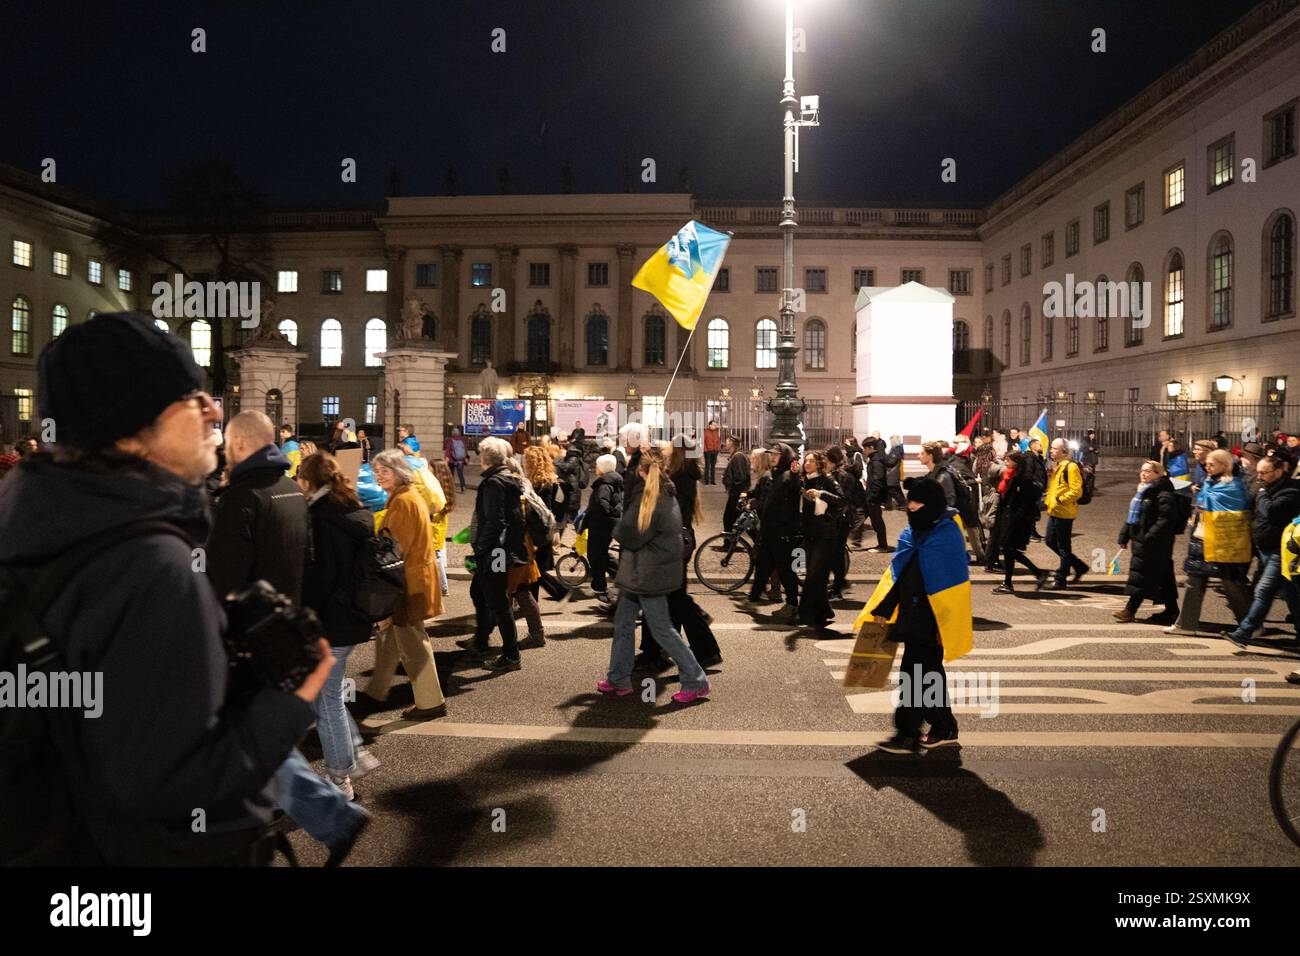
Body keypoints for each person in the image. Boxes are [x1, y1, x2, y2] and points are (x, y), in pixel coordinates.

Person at [0, 312, 332, 865]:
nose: (214, 412)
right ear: (132, 421)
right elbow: (178, 784)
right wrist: (292, 699)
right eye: (190, 397)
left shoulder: (29, 520)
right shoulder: (148, 560)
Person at [296, 453, 381, 800]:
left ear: (308, 481)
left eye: (301, 479)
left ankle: (340, 777)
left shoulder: (320, 518)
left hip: (330, 620)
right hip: (354, 616)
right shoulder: (355, 510)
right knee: (327, 695)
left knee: (325, 699)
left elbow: (321, 579)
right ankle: (353, 752)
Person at [864, 477, 972, 753]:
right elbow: (901, 576)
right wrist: (883, 609)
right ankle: (939, 726)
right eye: (909, 500)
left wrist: (942, 625)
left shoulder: (946, 535)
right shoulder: (913, 534)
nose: (910, 506)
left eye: (916, 502)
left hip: (933, 620)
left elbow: (951, 584)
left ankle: (909, 732)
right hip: (912, 617)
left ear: (931, 504)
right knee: (923, 676)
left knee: (918, 676)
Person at [597, 447, 711, 703]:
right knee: (624, 625)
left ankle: (696, 680)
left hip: (648, 575)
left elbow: (629, 533)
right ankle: (618, 678)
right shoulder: (664, 492)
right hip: (640, 572)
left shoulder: (652, 497)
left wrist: (615, 526)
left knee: (662, 631)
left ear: (642, 471)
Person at [359, 449, 449, 714]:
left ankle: (431, 701)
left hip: (407, 583)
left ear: (399, 473)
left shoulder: (402, 501)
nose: (379, 476)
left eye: (384, 471)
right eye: (376, 471)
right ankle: (376, 694)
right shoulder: (403, 497)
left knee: (412, 644)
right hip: (410, 580)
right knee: (396, 639)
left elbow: (394, 547)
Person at [457, 437, 528, 669]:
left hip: (494, 553)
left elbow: (495, 522)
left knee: (499, 603)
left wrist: (481, 548)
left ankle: (511, 655)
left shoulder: (494, 483)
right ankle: (481, 638)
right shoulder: (506, 479)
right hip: (499, 550)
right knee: (479, 592)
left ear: (484, 458)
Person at [1168, 449, 1254, 636]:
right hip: (1203, 538)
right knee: (1195, 581)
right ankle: (1187, 624)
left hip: (1223, 541)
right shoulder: (1209, 482)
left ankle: (1251, 626)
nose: (1207, 467)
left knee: (1231, 585)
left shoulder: (1233, 486)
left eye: (1212, 464)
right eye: (1206, 464)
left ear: (1224, 465)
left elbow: (1235, 515)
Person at [1225, 453, 1300, 647]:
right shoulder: (1263, 487)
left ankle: (1244, 632)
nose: (1259, 477)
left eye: (1264, 473)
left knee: (1264, 590)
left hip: (1281, 550)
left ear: (1278, 471)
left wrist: (1262, 494)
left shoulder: (1291, 490)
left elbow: (1271, 511)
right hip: (1264, 548)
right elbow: (1249, 505)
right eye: (1258, 472)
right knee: (1291, 594)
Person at [1114, 460, 1180, 624]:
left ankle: (1130, 610)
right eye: (1142, 470)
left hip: (1155, 543)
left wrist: (1149, 537)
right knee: (1164, 577)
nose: (1143, 473)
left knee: (1142, 576)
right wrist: (1125, 535)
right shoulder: (1144, 491)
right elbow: (1133, 517)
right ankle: (1172, 611)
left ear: (1159, 473)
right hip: (1144, 540)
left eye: (1148, 471)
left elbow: (1166, 519)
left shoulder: (1163, 493)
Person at [744, 443, 802, 618]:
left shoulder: (787, 476)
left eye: (777, 454)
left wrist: (794, 473)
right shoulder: (773, 475)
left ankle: (792, 605)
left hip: (783, 532)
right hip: (770, 531)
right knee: (763, 566)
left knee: (785, 571)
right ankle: (754, 597)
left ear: (784, 456)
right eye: (771, 454)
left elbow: (795, 486)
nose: (773, 457)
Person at [798, 451, 845, 629]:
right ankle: (824, 610)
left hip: (825, 534)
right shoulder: (804, 480)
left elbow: (842, 500)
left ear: (819, 464)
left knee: (813, 575)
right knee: (816, 575)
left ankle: (805, 613)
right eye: (806, 461)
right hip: (810, 533)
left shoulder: (827, 480)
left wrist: (821, 493)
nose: (807, 463)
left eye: (811, 461)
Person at [990, 451, 1049, 593]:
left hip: (1017, 521)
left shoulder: (1023, 479)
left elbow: (1024, 502)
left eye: (1008, 460)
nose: (1005, 462)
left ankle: (1013, 582)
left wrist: (1015, 517)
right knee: (1009, 550)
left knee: (1009, 550)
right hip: (1009, 518)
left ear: (1015, 462)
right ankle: (1034, 574)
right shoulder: (1011, 476)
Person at [1043, 437, 1088, 589]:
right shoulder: (1058, 465)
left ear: (1063, 451)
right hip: (1055, 510)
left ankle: (1061, 579)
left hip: (1064, 512)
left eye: (1055, 448)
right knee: (1050, 541)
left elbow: (1077, 490)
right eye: (1052, 448)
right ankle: (1079, 566)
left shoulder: (1071, 467)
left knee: (1063, 547)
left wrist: (1061, 500)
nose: (1051, 450)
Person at [585, 453, 623, 602]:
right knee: (601, 555)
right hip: (608, 524)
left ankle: (600, 587)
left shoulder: (604, 484)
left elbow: (602, 504)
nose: (595, 467)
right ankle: (607, 582)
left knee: (595, 556)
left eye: (597, 465)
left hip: (601, 525)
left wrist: (597, 518)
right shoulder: (614, 480)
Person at [825, 446, 860, 598]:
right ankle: (839, 583)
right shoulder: (837, 474)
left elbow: (842, 498)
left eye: (825, 459)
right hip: (840, 518)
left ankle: (839, 584)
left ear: (831, 460)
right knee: (834, 552)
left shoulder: (841, 476)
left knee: (835, 552)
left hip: (842, 519)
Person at [428, 458, 457, 598]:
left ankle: (443, 587)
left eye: (430, 468)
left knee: (437, 556)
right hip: (437, 526)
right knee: (437, 555)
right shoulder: (442, 485)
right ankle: (442, 587)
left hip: (435, 526)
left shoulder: (436, 487)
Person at [861, 438, 892, 553]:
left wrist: (872, 496)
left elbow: (878, 480)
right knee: (874, 520)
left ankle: (883, 546)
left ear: (871, 448)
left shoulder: (876, 462)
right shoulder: (874, 460)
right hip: (872, 496)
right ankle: (881, 544)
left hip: (873, 497)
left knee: (877, 521)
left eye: (865, 448)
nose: (864, 450)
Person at [721, 433, 750, 531]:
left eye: (727, 440)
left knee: (729, 518)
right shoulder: (736, 455)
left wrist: (731, 484)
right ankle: (730, 542)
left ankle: (729, 543)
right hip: (736, 492)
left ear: (731, 442)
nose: (726, 442)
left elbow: (741, 477)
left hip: (736, 493)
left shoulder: (738, 456)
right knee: (733, 518)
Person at [443, 425, 469, 492]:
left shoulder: (450, 439)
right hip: (461, 460)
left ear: (452, 433)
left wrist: (446, 458)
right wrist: (466, 457)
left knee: (451, 474)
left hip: (452, 460)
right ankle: (463, 487)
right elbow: (465, 449)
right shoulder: (462, 439)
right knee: (460, 474)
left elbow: (448, 450)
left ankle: (451, 487)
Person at [884, 435, 907, 509]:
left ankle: (903, 504)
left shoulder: (895, 450)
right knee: (895, 489)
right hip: (894, 472)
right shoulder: (898, 449)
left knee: (891, 489)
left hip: (892, 473)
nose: (890, 443)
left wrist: (884, 460)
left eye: (891, 441)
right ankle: (889, 504)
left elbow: (891, 462)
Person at [703, 419, 721, 484]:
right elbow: (703, 442)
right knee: (707, 466)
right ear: (710, 425)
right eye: (714, 425)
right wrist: (705, 450)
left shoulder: (716, 432)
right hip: (707, 451)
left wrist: (717, 449)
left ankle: (713, 481)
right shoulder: (705, 432)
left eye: (715, 425)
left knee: (713, 466)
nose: (715, 426)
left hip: (715, 451)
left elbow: (718, 441)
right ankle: (706, 480)